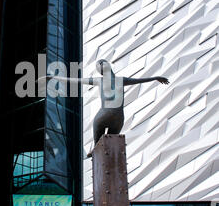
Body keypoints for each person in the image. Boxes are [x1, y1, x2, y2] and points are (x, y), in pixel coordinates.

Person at [40, 59, 169, 145]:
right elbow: (74, 80)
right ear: (100, 71)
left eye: (102, 62)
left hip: (119, 117)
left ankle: (96, 150)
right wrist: (54, 77)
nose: (101, 63)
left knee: (112, 145)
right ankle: (95, 149)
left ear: (109, 65)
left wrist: (155, 78)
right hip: (105, 114)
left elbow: (139, 80)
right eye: (99, 64)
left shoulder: (121, 80)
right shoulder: (98, 80)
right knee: (100, 142)